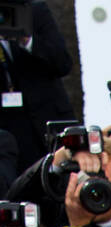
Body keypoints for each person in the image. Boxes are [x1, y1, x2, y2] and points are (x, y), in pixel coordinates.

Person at [0, 0, 73, 175]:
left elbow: (63, 63)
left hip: (49, 126)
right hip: (9, 136)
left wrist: (27, 39)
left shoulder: (33, 12)